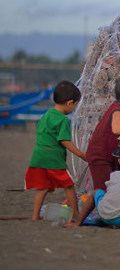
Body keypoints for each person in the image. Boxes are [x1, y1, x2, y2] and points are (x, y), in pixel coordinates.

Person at [25, 81, 85, 221]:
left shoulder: (46, 114)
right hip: (54, 158)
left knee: (42, 188)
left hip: (39, 156)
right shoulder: (63, 120)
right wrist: (80, 154)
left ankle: (34, 216)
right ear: (70, 103)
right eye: (75, 105)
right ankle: (76, 214)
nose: (74, 108)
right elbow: (64, 141)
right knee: (69, 186)